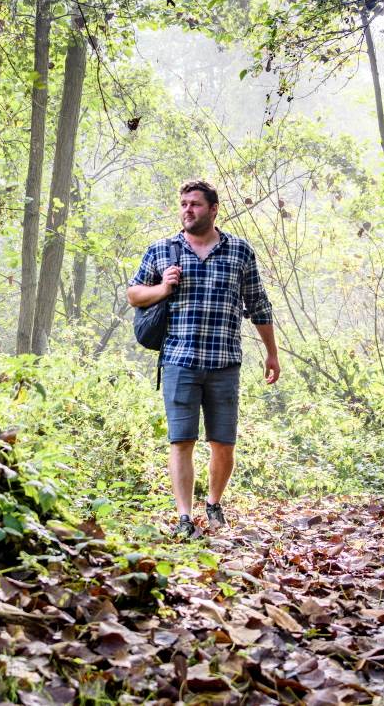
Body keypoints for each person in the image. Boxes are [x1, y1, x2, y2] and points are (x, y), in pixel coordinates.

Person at [127, 180, 280, 539]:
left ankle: (213, 504)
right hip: (179, 360)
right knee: (181, 440)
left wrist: (272, 353)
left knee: (223, 442)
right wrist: (162, 288)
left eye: (195, 204)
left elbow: (258, 304)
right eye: (183, 203)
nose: (187, 210)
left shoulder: (240, 251)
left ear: (213, 209)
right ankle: (184, 517)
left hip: (225, 361)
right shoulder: (162, 250)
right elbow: (135, 294)